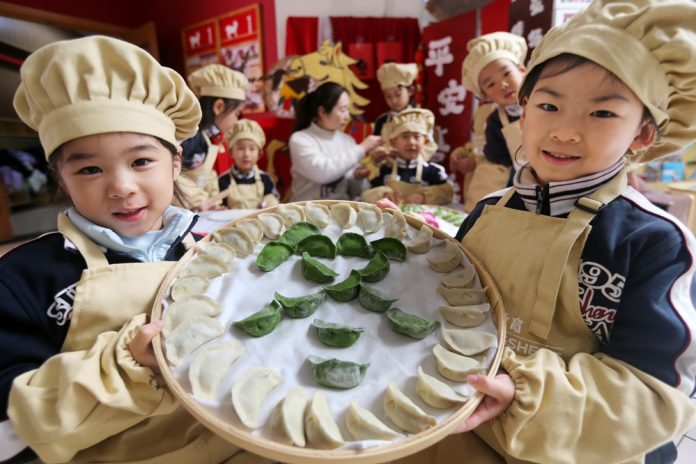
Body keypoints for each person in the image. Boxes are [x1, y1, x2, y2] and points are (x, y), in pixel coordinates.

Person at [388, 1, 696, 463]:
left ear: (642, 135)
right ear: (524, 109)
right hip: (465, 419)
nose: (565, 132)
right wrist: (412, 245)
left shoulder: (653, 242)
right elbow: (457, 292)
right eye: (549, 105)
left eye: (602, 113)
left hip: (573, 445)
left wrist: (529, 396)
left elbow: (651, 391)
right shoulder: (490, 210)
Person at [0, 36, 266, 463]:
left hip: (238, 444)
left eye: (141, 161)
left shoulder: (211, 251)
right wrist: (125, 365)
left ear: (175, 163)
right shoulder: (24, 279)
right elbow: (12, 421)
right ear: (61, 178)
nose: (122, 187)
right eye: (90, 168)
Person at [452, 32, 527, 211]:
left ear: (522, 69)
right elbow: (492, 153)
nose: (503, 85)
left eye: (507, 73)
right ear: (484, 95)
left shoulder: (544, 105)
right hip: (511, 183)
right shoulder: (493, 119)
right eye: (491, 84)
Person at [288, 81, 381, 201]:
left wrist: (358, 176)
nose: (347, 116)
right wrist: (362, 148)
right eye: (343, 110)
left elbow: (355, 191)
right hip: (307, 209)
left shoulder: (348, 141)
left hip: (341, 209)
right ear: (322, 112)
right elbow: (322, 173)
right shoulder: (300, 139)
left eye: (348, 110)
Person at [178, 64, 248, 212]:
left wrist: (213, 204)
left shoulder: (210, 139)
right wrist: (197, 200)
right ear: (219, 107)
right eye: (236, 114)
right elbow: (172, 176)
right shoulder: (190, 139)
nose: (236, 121)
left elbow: (204, 175)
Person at [362, 108, 453, 205]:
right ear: (393, 142)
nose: (411, 142)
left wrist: (424, 196)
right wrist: (384, 194)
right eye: (405, 136)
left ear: (426, 141)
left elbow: (448, 194)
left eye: (417, 137)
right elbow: (366, 193)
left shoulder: (434, 172)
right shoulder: (384, 169)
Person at [218, 119, 279, 209]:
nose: (246, 154)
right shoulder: (223, 180)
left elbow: (274, 198)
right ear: (230, 152)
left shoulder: (265, 179)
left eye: (252, 149)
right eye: (240, 148)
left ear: (259, 154)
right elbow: (218, 207)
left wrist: (271, 201)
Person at [373, 62, 418, 136]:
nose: (394, 100)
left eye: (398, 95)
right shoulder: (381, 121)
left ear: (410, 91)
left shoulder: (420, 117)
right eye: (388, 96)